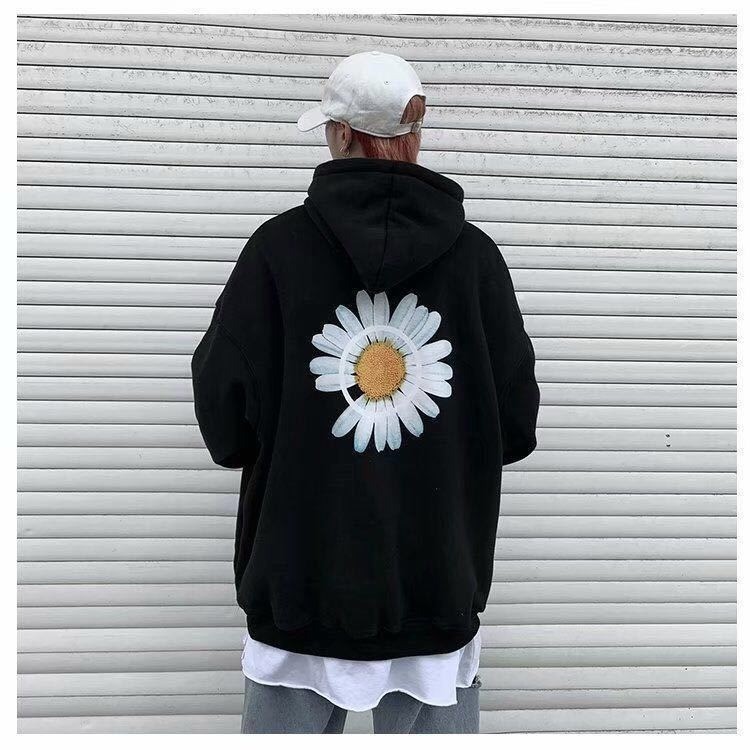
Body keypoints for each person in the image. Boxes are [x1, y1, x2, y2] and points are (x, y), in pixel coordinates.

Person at [191, 50, 540, 734]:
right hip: (434, 589)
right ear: (415, 134)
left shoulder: (276, 252)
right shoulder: (476, 262)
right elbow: (515, 425)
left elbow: (225, 424)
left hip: (299, 590)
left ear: (341, 134)